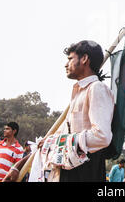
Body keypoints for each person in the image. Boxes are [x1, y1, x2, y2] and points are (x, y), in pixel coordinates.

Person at [33, 40, 114, 182]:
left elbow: (102, 136)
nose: (66, 64)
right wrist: (49, 141)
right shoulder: (77, 93)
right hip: (70, 167)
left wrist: (60, 142)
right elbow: (66, 131)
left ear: (84, 59)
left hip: (86, 169)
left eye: (70, 59)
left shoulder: (96, 88)